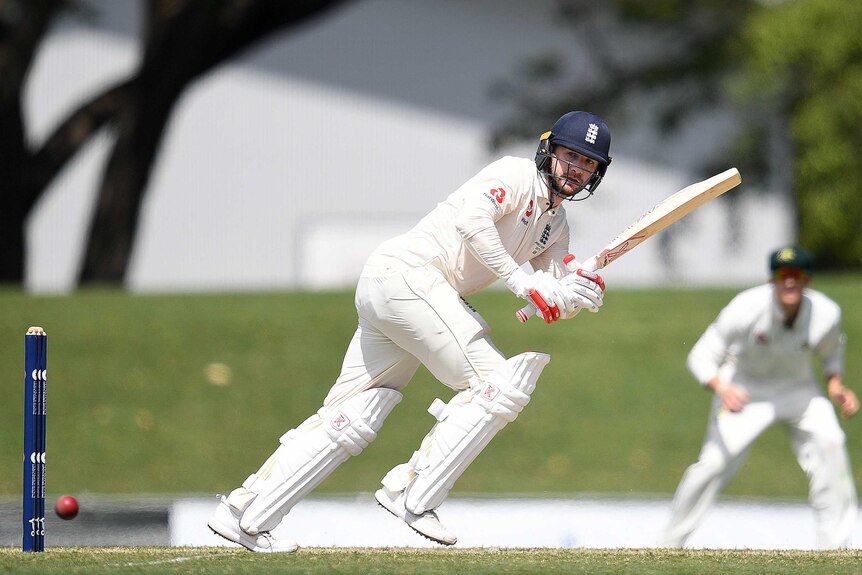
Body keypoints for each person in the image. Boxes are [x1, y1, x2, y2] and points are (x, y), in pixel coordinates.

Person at [206, 111, 614, 552]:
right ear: (549, 149)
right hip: (410, 277)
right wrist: (520, 281)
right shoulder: (515, 175)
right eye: (571, 155)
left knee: (355, 413)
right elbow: (472, 223)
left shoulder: (556, 225)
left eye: (588, 163)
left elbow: (552, 290)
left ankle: (242, 514)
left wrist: (573, 295)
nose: (576, 169)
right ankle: (411, 491)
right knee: (499, 384)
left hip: (405, 293)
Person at [659, 245, 859, 549]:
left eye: (796, 274)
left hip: (798, 391)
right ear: (772, 280)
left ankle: (836, 546)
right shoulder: (746, 307)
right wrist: (722, 388)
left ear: (808, 281)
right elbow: (701, 355)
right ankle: (667, 545)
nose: (789, 281)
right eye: (782, 274)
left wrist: (836, 388)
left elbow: (831, 357)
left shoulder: (826, 314)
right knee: (713, 464)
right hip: (743, 390)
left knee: (832, 442)